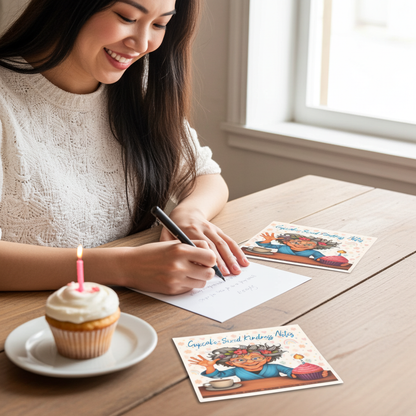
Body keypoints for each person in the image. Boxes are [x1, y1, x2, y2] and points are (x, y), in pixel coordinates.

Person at [0, 0, 249, 293]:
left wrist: (190, 213)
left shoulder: (136, 87)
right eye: (127, 17)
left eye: (159, 25)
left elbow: (204, 176)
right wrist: (122, 267)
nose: (142, 43)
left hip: (128, 313)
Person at [189, 344, 296, 381]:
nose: (249, 362)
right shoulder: (236, 370)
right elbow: (218, 376)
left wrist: (292, 374)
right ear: (231, 363)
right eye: (240, 359)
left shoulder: (275, 367)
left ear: (267, 358)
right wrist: (209, 367)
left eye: (255, 358)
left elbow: (288, 370)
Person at [256, 232, 338, 260]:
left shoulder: (312, 252)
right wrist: (267, 241)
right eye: (296, 242)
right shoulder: (282, 247)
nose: (300, 244)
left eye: (308, 244)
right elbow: (266, 246)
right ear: (286, 242)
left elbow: (321, 258)